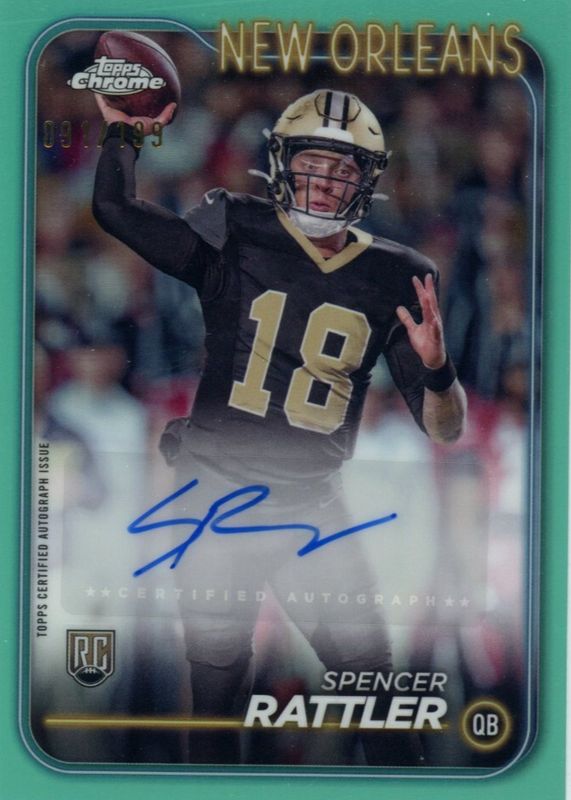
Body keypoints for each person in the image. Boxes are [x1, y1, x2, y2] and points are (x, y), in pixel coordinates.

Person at [92, 88, 466, 766]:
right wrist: (124, 133)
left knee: (381, 702)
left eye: (342, 168)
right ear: (281, 164)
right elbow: (116, 210)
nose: (323, 181)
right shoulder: (236, 225)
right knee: (217, 701)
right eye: (311, 163)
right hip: (215, 496)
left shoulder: (401, 275)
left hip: (312, 509)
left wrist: (438, 371)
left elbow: (444, 430)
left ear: (367, 180)